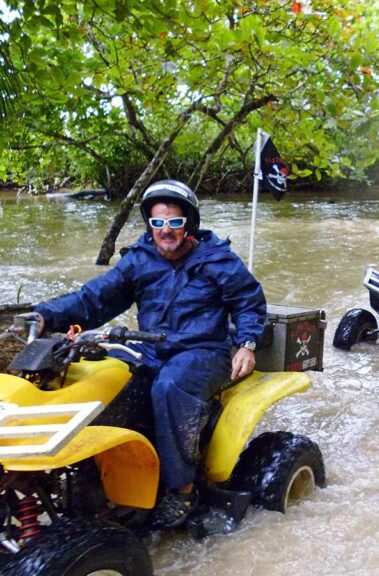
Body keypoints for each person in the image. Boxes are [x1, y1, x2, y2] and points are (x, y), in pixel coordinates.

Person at [25, 179, 267, 529]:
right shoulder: (139, 261)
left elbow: (248, 302)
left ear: (189, 224)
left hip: (203, 351)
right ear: (149, 225)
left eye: (173, 222)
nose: (165, 231)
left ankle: (182, 490)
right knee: (99, 378)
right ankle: (94, 476)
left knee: (168, 387)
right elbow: (94, 298)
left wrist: (247, 343)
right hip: (149, 349)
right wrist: (46, 314)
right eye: (157, 223)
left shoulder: (218, 260)